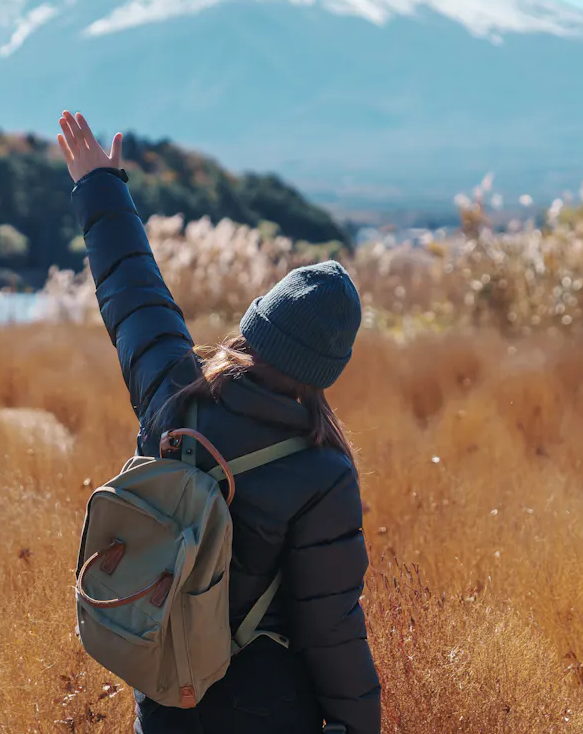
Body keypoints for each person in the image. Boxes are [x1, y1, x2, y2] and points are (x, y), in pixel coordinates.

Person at [57, 111, 381, 734]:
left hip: (165, 689)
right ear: (326, 369)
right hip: (268, 707)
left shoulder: (175, 395)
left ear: (255, 324)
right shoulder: (322, 470)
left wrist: (100, 186)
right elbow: (330, 628)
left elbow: (133, 295)